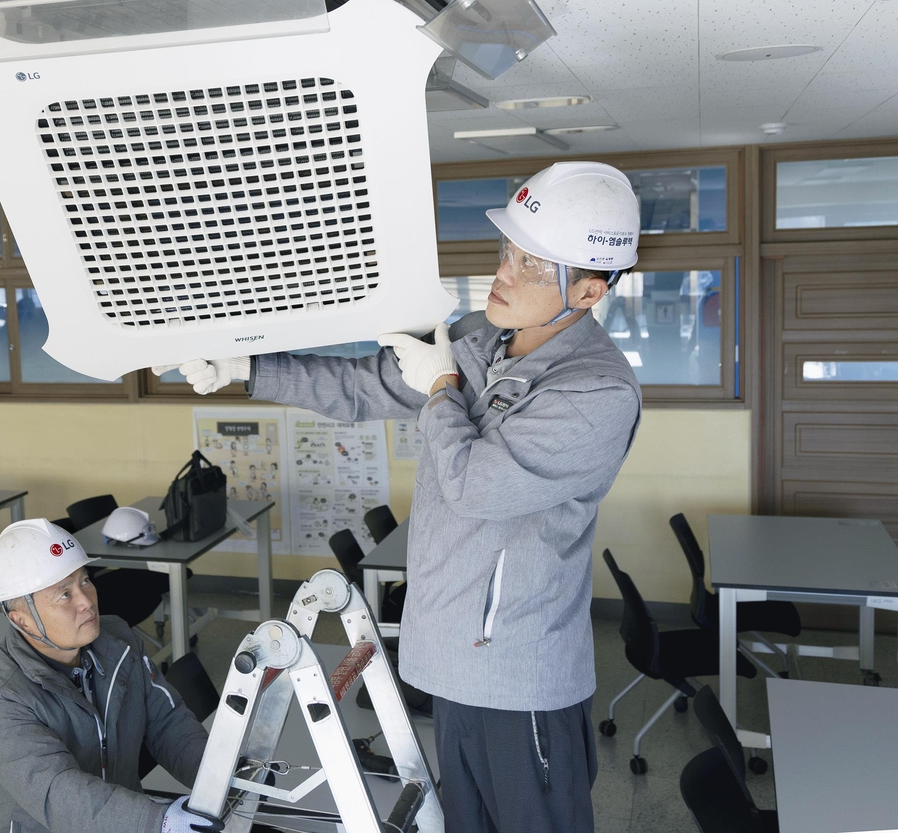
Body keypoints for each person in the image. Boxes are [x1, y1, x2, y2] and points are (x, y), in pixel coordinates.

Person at [157, 162, 643, 832]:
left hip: (518, 678)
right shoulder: (481, 338)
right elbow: (363, 387)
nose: (502, 271)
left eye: (530, 265)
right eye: (507, 251)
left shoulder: (596, 391)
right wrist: (247, 368)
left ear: (588, 291)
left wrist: (442, 387)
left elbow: (475, 485)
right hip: (450, 663)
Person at [0, 518, 219, 833]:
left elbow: (167, 723)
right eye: (64, 594)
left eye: (84, 580)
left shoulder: (119, 641)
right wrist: (157, 822)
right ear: (23, 621)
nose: (86, 601)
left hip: (115, 821)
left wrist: (219, 779)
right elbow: (59, 793)